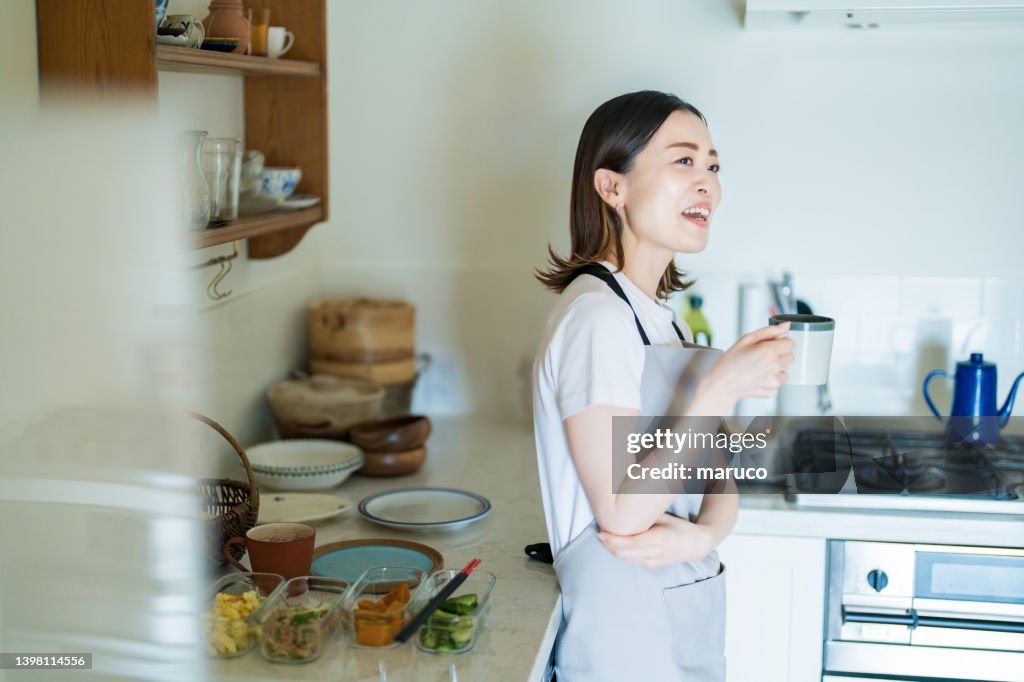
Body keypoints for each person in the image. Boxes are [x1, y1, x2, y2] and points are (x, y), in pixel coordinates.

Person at [532, 90, 794, 680]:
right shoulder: (596, 317)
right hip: (623, 637)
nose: (708, 184)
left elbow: (717, 472)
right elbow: (622, 513)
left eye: (713, 165)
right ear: (612, 187)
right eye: (684, 161)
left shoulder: (662, 317)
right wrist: (719, 389)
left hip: (676, 613)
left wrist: (701, 539)